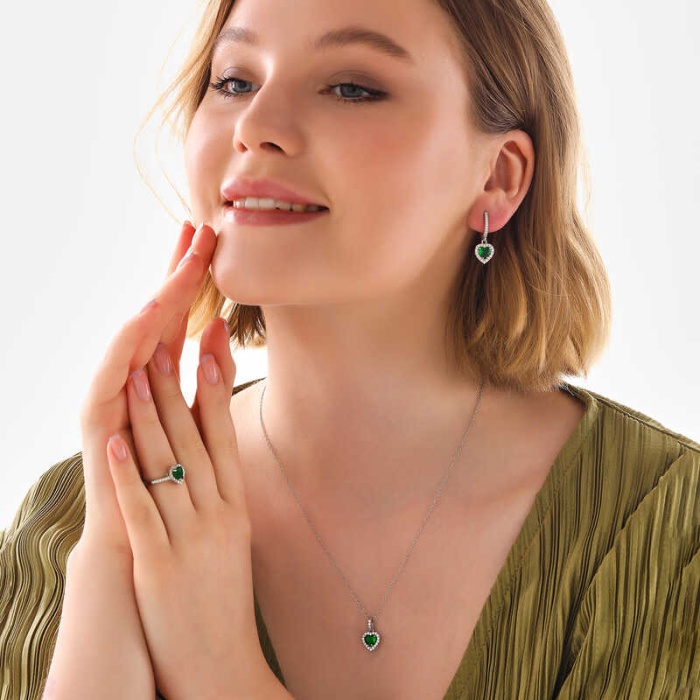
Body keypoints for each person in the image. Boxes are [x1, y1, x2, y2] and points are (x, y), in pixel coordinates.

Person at [1, 0, 698, 697]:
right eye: (235, 81)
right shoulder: (75, 525)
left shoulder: (669, 533)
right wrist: (107, 570)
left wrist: (218, 667)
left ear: (499, 177)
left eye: (352, 88)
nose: (255, 126)